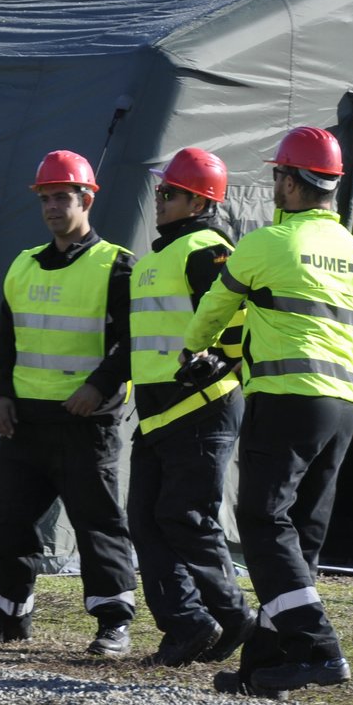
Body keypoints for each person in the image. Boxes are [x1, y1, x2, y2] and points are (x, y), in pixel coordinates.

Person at [181, 126, 353, 697]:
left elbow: (217, 305)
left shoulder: (268, 243)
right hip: (341, 406)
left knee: (264, 521)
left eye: (276, 177)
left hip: (285, 399)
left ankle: (319, 647)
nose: (274, 187)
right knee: (301, 536)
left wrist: (194, 349)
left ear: (291, 182)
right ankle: (266, 665)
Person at [0, 150, 138, 656]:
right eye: (45, 198)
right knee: (8, 520)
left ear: (87, 199)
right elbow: (5, 340)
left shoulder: (118, 266)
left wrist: (98, 386)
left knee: (97, 525)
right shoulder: (22, 266)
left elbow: (133, 341)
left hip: (86, 422)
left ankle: (114, 621)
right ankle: (8, 616)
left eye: (62, 197)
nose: (52, 207)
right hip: (25, 421)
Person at [127, 148, 254, 668]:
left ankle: (235, 617)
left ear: (200, 202)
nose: (159, 200)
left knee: (187, 519)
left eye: (169, 193)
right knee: (146, 519)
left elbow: (237, 316)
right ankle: (188, 624)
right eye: (159, 191)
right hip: (159, 411)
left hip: (200, 407)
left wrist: (219, 363)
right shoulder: (158, 257)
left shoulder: (209, 249)